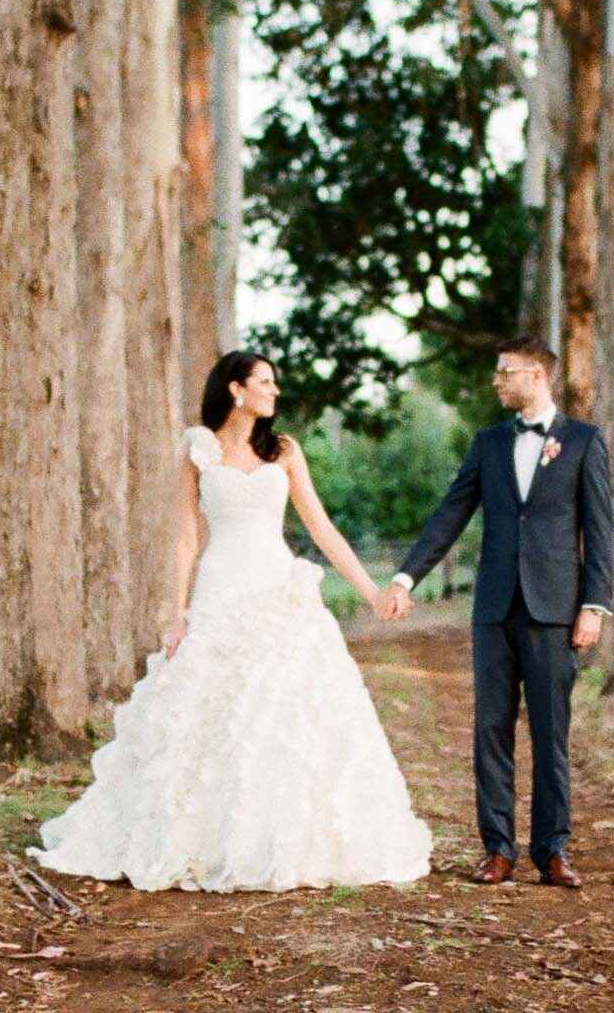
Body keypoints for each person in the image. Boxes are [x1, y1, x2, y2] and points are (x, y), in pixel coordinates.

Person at [33, 351, 433, 892]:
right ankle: (196, 835)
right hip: (222, 586)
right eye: (265, 382)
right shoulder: (199, 448)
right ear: (237, 390)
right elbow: (185, 536)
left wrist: (370, 591)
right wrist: (175, 614)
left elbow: (322, 530)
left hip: (276, 587)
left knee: (286, 710)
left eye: (275, 383)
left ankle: (281, 832)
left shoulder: (284, 451)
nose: (275, 392)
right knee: (205, 709)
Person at [375, 338, 614, 888]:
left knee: (552, 733)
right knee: (490, 728)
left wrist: (594, 606)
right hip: (494, 608)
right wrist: (406, 576)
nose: (496, 382)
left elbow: (601, 532)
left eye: (504, 374)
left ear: (535, 376)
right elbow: (450, 513)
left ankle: (553, 850)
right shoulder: (487, 444)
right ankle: (498, 849)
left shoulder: (583, 441)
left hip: (556, 609)